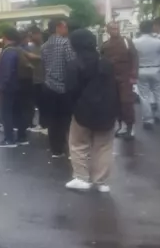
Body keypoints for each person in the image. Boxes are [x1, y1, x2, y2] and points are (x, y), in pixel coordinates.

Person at [64, 28, 119, 192]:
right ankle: (100, 182)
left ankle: (81, 178)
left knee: (78, 144)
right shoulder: (106, 62)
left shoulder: (74, 64)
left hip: (83, 110)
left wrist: (73, 107)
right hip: (108, 110)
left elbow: (71, 90)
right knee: (103, 146)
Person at [41, 17, 76, 158]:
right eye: (65, 27)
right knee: (66, 120)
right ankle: (67, 147)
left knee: (53, 120)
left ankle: (56, 150)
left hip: (49, 86)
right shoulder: (65, 43)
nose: (66, 30)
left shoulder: (44, 46)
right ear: (58, 27)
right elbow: (71, 64)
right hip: (63, 87)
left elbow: (44, 66)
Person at [0, 27, 31, 148]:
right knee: (18, 111)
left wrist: (0, 86)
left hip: (8, 87)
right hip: (18, 85)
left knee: (6, 112)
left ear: (5, 37)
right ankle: (21, 136)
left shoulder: (8, 51)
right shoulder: (17, 50)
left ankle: (9, 139)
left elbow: (7, 71)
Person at [100, 22, 138, 139]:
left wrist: (134, 74)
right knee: (115, 103)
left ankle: (130, 127)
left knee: (126, 102)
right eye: (112, 28)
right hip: (111, 78)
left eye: (116, 28)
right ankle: (121, 126)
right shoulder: (105, 45)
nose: (115, 30)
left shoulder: (127, 42)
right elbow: (101, 61)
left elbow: (134, 58)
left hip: (125, 77)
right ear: (108, 31)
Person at [133, 20, 160, 129]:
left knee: (144, 96)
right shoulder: (158, 42)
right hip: (156, 69)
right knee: (159, 94)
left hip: (141, 70)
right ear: (151, 28)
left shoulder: (135, 42)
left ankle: (148, 119)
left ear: (140, 29)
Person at [25, 26, 47, 133]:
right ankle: (32, 123)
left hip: (42, 79)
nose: (38, 36)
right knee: (33, 103)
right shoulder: (29, 47)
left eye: (39, 34)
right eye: (36, 34)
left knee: (42, 103)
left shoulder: (44, 46)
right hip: (33, 79)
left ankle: (43, 124)